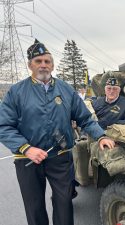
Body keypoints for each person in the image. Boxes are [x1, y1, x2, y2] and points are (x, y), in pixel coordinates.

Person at [0, 39, 115, 225]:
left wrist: (100, 135)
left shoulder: (66, 90)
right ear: (30, 65)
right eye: (38, 61)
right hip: (28, 159)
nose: (43, 65)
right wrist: (26, 148)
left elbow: (85, 118)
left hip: (60, 157)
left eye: (47, 61)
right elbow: (4, 126)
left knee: (64, 203)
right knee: (34, 206)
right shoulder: (16, 92)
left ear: (52, 65)